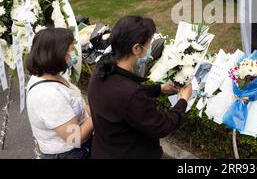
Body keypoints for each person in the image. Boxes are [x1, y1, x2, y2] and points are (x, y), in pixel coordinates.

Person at [88, 16, 192, 159]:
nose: (149, 49)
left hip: (104, 149)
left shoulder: (101, 69)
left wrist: (159, 89)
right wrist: (183, 101)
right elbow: (161, 126)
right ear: (136, 48)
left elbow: (121, 98)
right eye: (149, 44)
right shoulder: (129, 93)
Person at [26, 28, 94, 159]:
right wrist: (100, 115)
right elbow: (74, 138)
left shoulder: (48, 75)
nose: (74, 54)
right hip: (70, 154)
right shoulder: (49, 96)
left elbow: (75, 105)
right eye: (71, 50)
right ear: (56, 54)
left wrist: (94, 109)